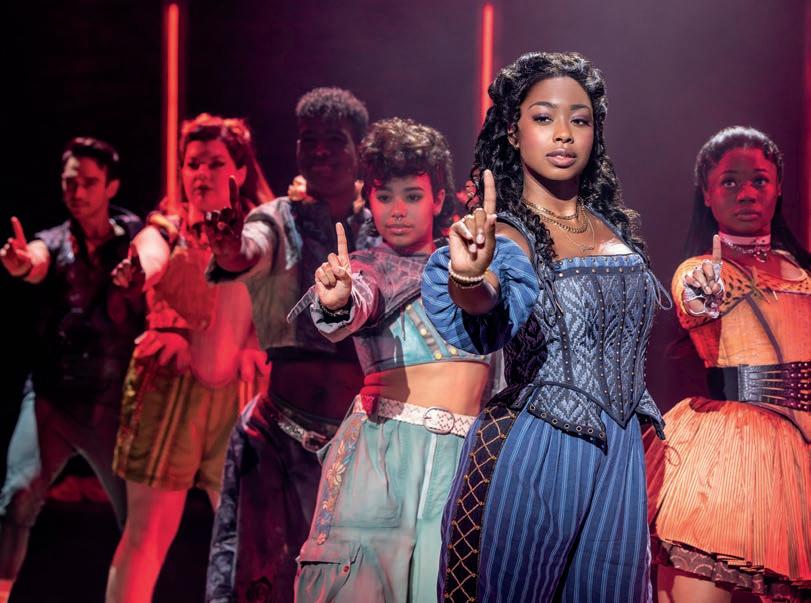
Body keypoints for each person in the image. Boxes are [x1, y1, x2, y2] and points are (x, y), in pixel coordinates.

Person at [421, 51, 669, 602]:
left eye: (579, 120)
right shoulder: (509, 233)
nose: (563, 133)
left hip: (620, 454)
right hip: (538, 447)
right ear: (513, 132)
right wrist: (469, 275)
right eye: (543, 117)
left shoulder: (611, 226)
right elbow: (486, 303)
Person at [292, 117, 496, 602]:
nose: (398, 210)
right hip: (384, 455)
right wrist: (337, 299)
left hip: (463, 460)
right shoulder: (368, 268)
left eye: (412, 195)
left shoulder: (471, 264)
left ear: (438, 199)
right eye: (384, 197)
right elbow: (352, 302)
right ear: (369, 200)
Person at [204, 87, 378, 603]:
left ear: (359, 148)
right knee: (261, 579)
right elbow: (248, 250)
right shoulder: (277, 216)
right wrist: (229, 249)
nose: (320, 151)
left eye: (334, 140)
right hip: (278, 437)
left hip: (359, 443)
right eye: (308, 140)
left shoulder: (382, 223)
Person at [105, 114, 270, 603]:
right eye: (192, 163)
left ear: (240, 168)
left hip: (240, 390)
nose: (201, 173)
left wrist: (255, 341)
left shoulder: (265, 228)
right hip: (169, 386)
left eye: (215, 163)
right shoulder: (168, 225)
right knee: (147, 535)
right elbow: (150, 251)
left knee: (244, 538)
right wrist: (138, 269)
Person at [645, 126, 810, 603]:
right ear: (707, 194)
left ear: (778, 187)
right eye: (730, 182)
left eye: (759, 180)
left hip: (799, 461)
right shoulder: (700, 269)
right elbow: (694, 299)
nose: (746, 193)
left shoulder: (803, 271)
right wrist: (706, 291)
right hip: (730, 451)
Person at [0, 137, 144, 602]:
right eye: (69, 183)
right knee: (18, 494)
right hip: (53, 399)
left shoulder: (136, 236)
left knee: (139, 517)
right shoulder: (54, 240)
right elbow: (36, 260)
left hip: (111, 404)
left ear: (111, 186)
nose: (77, 192)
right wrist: (22, 265)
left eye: (88, 183)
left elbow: (154, 262)